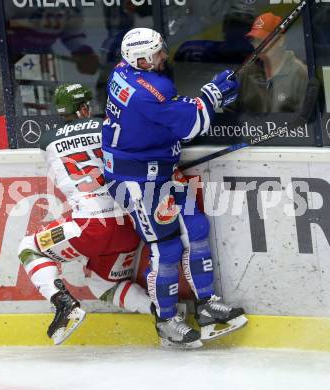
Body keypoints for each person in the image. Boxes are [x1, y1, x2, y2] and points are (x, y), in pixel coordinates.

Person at [102, 27, 248, 349]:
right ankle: (166, 320)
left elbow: (169, 113)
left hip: (159, 172)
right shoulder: (147, 91)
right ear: (140, 60)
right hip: (138, 182)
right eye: (157, 54)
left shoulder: (123, 72)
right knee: (166, 249)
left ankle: (207, 304)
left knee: (196, 227)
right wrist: (212, 95)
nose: (163, 56)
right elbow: (190, 125)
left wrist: (201, 100)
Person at [18, 83, 151, 345]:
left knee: (29, 247)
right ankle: (164, 315)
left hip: (90, 226)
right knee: (103, 285)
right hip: (128, 227)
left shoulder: (47, 140)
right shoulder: (105, 126)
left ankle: (64, 304)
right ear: (84, 107)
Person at [232, 12, 308, 113]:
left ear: (280, 40)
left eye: (263, 40)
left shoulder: (300, 74)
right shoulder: (247, 73)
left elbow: (311, 121)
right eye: (255, 40)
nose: (258, 46)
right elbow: (229, 115)